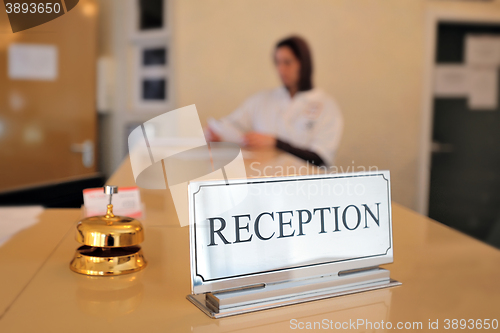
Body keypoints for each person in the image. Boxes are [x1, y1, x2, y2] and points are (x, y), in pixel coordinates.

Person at [206, 36, 343, 166]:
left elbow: (320, 159)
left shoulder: (327, 106)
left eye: (287, 62)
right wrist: (219, 135)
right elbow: (231, 124)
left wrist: (276, 143)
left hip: (305, 183)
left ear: (304, 63)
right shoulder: (263, 100)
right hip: (264, 179)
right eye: (277, 63)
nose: (281, 69)